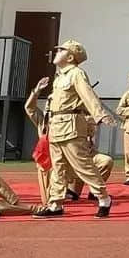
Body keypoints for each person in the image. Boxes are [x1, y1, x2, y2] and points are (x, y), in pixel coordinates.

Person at [33, 40, 115, 219]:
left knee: (83, 165)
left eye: (61, 50)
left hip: (71, 124)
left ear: (70, 57)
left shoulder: (76, 73)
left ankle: (103, 198)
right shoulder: (60, 77)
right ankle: (55, 203)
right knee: (58, 167)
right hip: (56, 125)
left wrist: (99, 114)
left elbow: (88, 94)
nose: (56, 52)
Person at [24, 77, 113, 208]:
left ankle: (80, 191)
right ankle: (60, 194)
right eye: (50, 103)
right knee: (47, 201)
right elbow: (29, 108)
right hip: (51, 163)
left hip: (74, 158)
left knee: (102, 160)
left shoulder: (77, 118)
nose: (51, 105)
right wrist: (36, 91)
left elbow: (89, 134)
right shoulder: (43, 121)